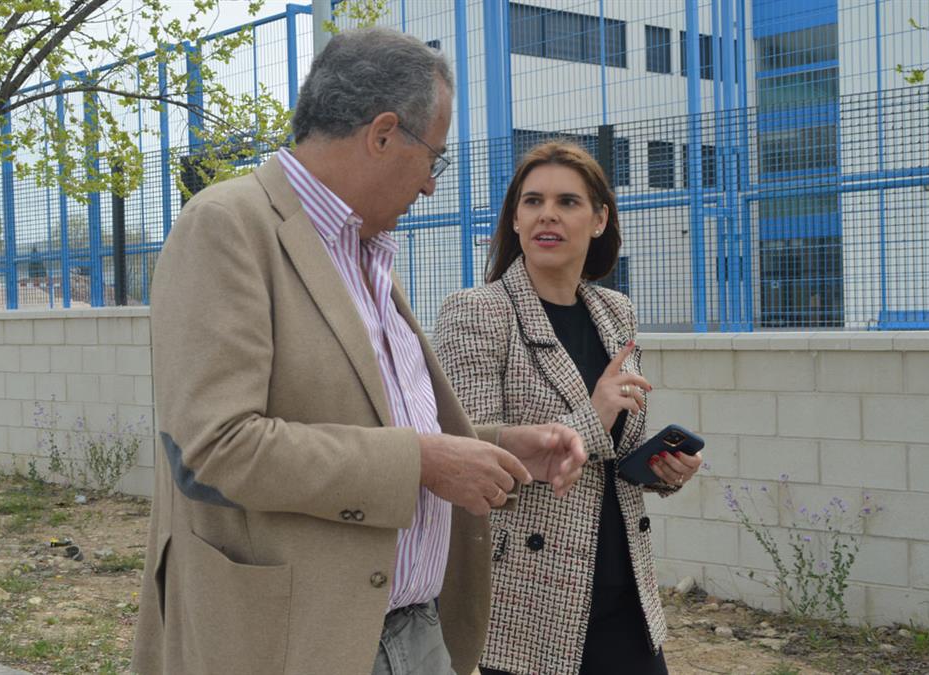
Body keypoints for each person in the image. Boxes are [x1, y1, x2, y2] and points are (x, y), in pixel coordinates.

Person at [132, 28, 587, 675]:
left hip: (415, 629)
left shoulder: (366, 254)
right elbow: (215, 448)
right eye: (435, 158)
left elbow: (368, 423)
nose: (432, 185)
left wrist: (496, 446)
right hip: (300, 640)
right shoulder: (227, 226)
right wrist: (423, 462)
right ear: (382, 135)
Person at [434, 142, 704, 675]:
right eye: (532, 201)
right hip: (529, 599)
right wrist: (593, 414)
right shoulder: (479, 312)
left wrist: (661, 471)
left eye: (567, 202)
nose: (547, 214)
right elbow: (468, 460)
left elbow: (614, 454)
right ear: (515, 219)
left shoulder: (615, 312)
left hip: (624, 584)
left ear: (600, 219)